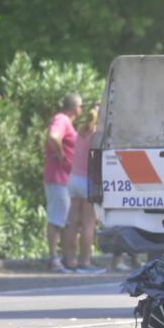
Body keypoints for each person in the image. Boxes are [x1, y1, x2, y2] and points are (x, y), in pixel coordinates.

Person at [61, 105, 106, 274]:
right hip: (88, 181)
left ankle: (69, 260)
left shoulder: (81, 133)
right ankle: (85, 262)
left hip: (74, 179)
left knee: (73, 222)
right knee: (88, 223)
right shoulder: (96, 135)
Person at [44, 93, 82, 272]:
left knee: (64, 219)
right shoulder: (62, 119)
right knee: (56, 219)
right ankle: (54, 258)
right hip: (58, 177)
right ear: (76, 108)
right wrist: (60, 155)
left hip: (64, 178)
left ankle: (65, 258)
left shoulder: (66, 122)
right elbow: (53, 136)